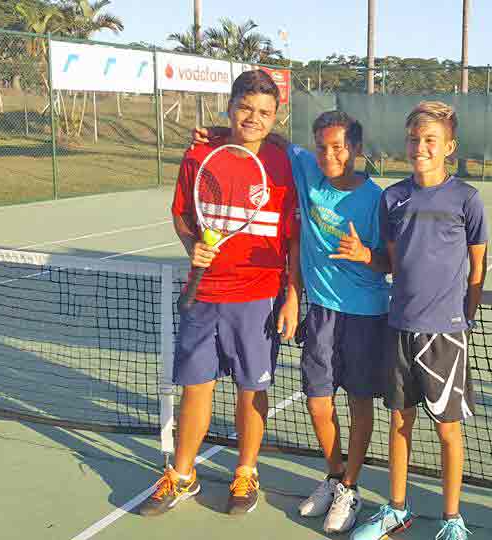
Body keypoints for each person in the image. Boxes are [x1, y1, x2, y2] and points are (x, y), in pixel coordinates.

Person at [195, 110, 391, 533]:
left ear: (356, 149)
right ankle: (335, 476)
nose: (329, 155)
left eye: (338, 147)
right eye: (322, 147)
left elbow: (389, 262)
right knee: (318, 402)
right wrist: (221, 133)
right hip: (320, 311)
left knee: (358, 403)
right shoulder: (306, 168)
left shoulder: (376, 199)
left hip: (365, 314)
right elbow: (275, 138)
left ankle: (350, 487)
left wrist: (364, 255)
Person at [138, 70, 300, 518]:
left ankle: (246, 471)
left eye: (264, 112)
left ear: (275, 117)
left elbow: (294, 239)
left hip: (258, 296)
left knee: (251, 388)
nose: (253, 118)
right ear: (229, 107)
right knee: (196, 387)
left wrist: (293, 295)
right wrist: (192, 245)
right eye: (245, 107)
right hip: (204, 295)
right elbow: (181, 215)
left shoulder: (286, 163)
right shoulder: (199, 154)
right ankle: (182, 475)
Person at [350, 101, 488, 540]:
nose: (420, 147)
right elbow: (390, 262)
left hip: (445, 334)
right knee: (399, 422)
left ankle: (452, 519)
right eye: (414, 139)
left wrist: (465, 316)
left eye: (430, 140)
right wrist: (364, 256)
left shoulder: (467, 199)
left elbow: (478, 268)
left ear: (450, 146)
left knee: (448, 431)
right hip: (399, 327)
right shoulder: (392, 197)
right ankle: (396, 509)